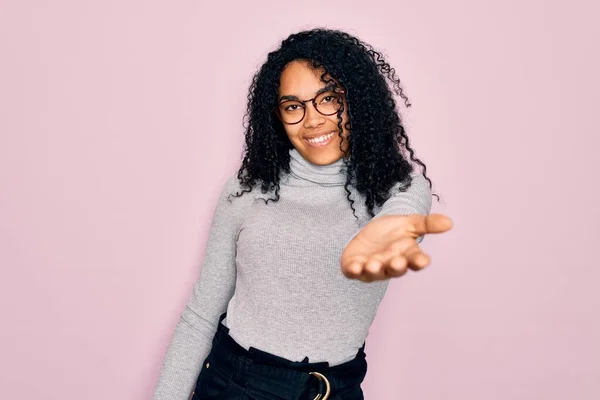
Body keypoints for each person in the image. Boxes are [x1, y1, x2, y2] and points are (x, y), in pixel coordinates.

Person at [152, 28, 453, 400]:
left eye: (328, 99)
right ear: (277, 115)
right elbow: (201, 315)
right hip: (236, 384)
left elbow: (403, 217)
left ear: (357, 99)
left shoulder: (395, 187)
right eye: (294, 106)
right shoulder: (247, 188)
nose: (312, 121)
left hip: (336, 389)